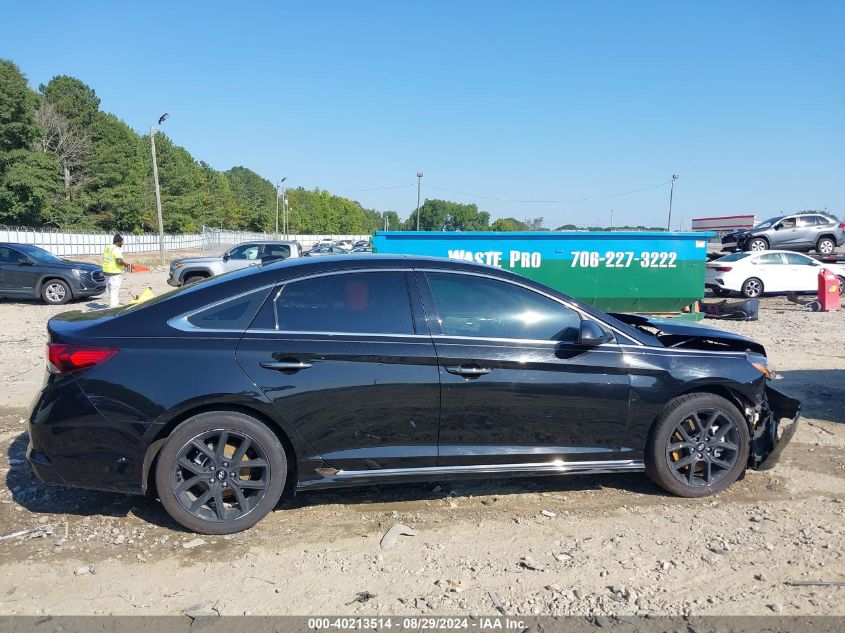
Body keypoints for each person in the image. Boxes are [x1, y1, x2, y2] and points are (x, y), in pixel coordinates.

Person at [102, 234, 130, 308]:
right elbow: (119, 261)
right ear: (118, 242)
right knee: (114, 290)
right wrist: (126, 264)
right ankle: (113, 306)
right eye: (122, 242)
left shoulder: (108, 247)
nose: (122, 244)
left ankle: (114, 303)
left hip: (106, 271)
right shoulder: (116, 249)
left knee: (110, 290)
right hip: (114, 272)